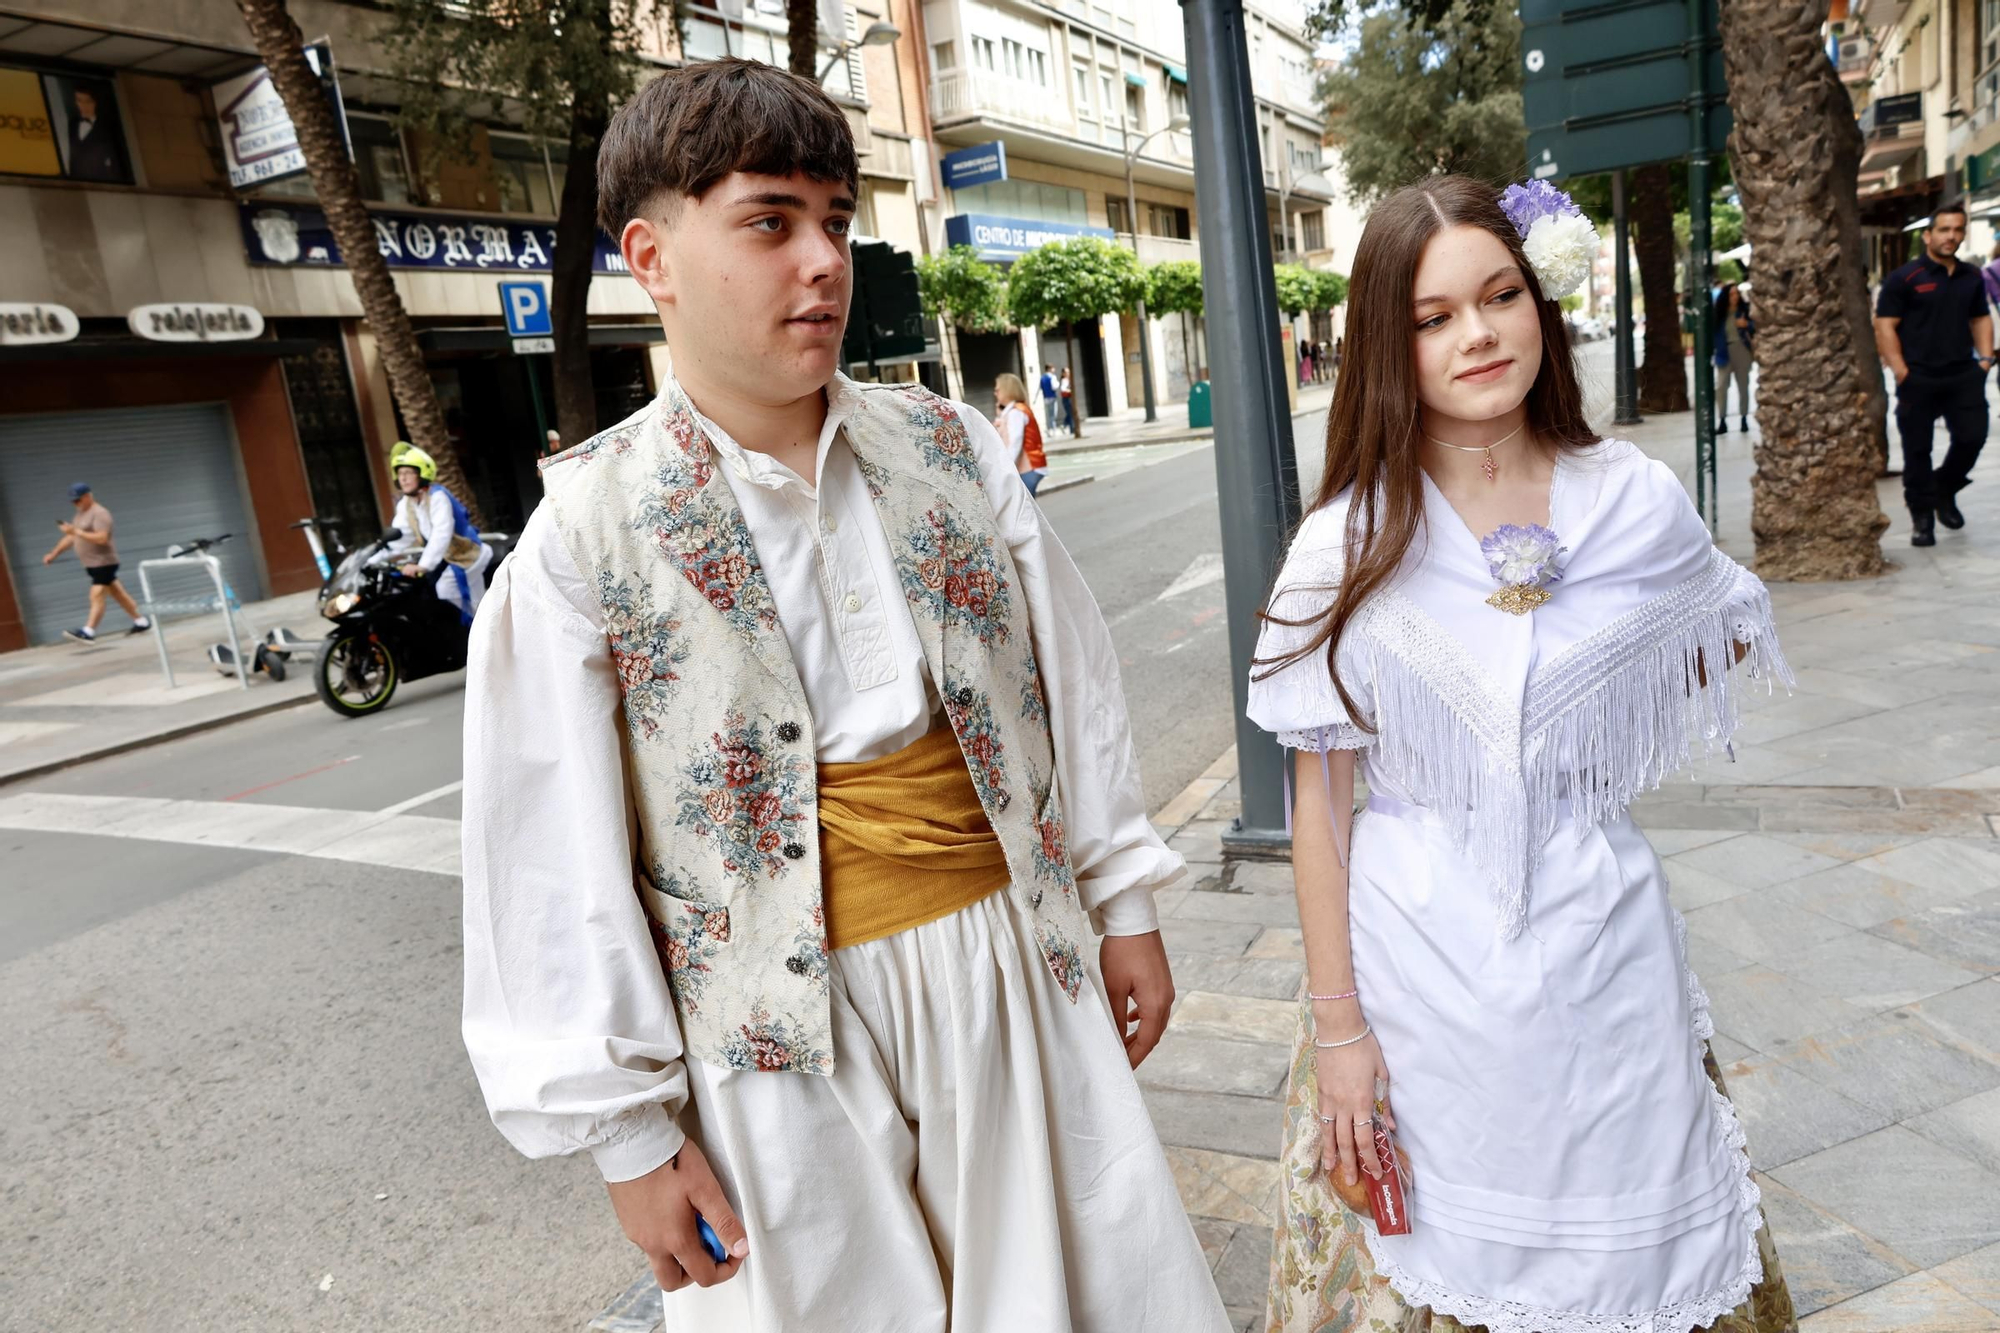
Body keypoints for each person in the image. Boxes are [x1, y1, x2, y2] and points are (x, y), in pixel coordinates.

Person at [458, 58, 1226, 1333]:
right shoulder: (583, 536)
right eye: (768, 222)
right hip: (767, 1039)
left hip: (1002, 972)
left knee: (1059, 1297)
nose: (819, 260)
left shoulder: (946, 446)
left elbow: (1065, 685)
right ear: (651, 257)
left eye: (834, 222)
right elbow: (545, 853)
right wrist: (626, 1138)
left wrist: (1121, 897)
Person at [1250, 176, 1799, 1333]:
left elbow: (1706, 634)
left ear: (1538, 307)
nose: (1478, 333)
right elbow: (1319, 809)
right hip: (1410, 973)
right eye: (1432, 316)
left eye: (1499, 296)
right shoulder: (1343, 542)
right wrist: (1338, 1035)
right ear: (1388, 348)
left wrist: (1582, 709)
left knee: (1641, 1253)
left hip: (1608, 955)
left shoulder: (1630, 500)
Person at [1874, 202, 1994, 546]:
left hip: (1963, 375)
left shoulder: (1972, 276)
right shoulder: (1904, 278)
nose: (1951, 236)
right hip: (1918, 377)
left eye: (1958, 230)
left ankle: (1944, 488)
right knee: (1917, 450)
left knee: (1973, 438)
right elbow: (1885, 326)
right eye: (1944, 229)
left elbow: (1980, 317)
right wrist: (1901, 372)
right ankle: (1922, 517)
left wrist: (1984, 359)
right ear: (1928, 235)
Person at [387, 442, 493, 620]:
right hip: (448, 560)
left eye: (408, 473)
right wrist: (373, 557)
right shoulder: (407, 504)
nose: (403, 478)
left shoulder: (438, 497)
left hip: (468, 555)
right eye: (400, 473)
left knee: (451, 591)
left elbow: (441, 535)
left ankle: (479, 634)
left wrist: (423, 565)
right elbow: (399, 536)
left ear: (421, 473)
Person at [43, 482, 149, 644]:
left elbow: (102, 538)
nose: (75, 504)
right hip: (92, 565)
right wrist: (54, 553)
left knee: (96, 595)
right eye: (73, 501)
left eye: (78, 500)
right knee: (118, 594)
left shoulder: (100, 513)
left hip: (104, 562)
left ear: (88, 496)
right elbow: (72, 537)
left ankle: (88, 631)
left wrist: (76, 531)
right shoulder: (80, 515)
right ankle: (141, 621)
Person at [993, 372, 1048, 495]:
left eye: (998, 390)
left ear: (1008, 390)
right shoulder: (1015, 410)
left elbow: (1015, 441)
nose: (995, 393)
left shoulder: (1016, 412)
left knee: (1026, 510)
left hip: (1028, 467)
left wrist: (1007, 468)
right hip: (1027, 468)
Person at [1713, 282, 1755, 433]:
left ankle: (1744, 419)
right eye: (1731, 294)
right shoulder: (1719, 314)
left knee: (1743, 386)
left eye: (1736, 293)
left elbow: (1755, 326)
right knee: (1722, 386)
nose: (1734, 296)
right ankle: (1722, 420)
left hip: (1741, 350)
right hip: (1724, 352)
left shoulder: (1744, 311)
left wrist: (1747, 325)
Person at [1038, 364, 1060, 435]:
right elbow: (1054, 387)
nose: (1054, 370)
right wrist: (1058, 384)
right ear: (1050, 369)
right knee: (1053, 414)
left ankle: (1050, 429)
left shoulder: (1042, 378)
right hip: (1052, 397)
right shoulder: (1052, 377)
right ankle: (1053, 430)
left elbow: (1040, 388)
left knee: (1049, 414)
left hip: (1046, 398)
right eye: (1053, 368)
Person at [1058, 364, 1077, 434]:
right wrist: (1070, 391)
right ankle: (1071, 429)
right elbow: (1063, 389)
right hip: (1067, 399)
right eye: (1066, 372)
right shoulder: (1064, 380)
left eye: (1068, 372)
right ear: (1063, 374)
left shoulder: (1067, 380)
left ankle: (1064, 425)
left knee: (1070, 413)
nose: (1068, 373)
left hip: (1068, 398)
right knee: (1071, 414)